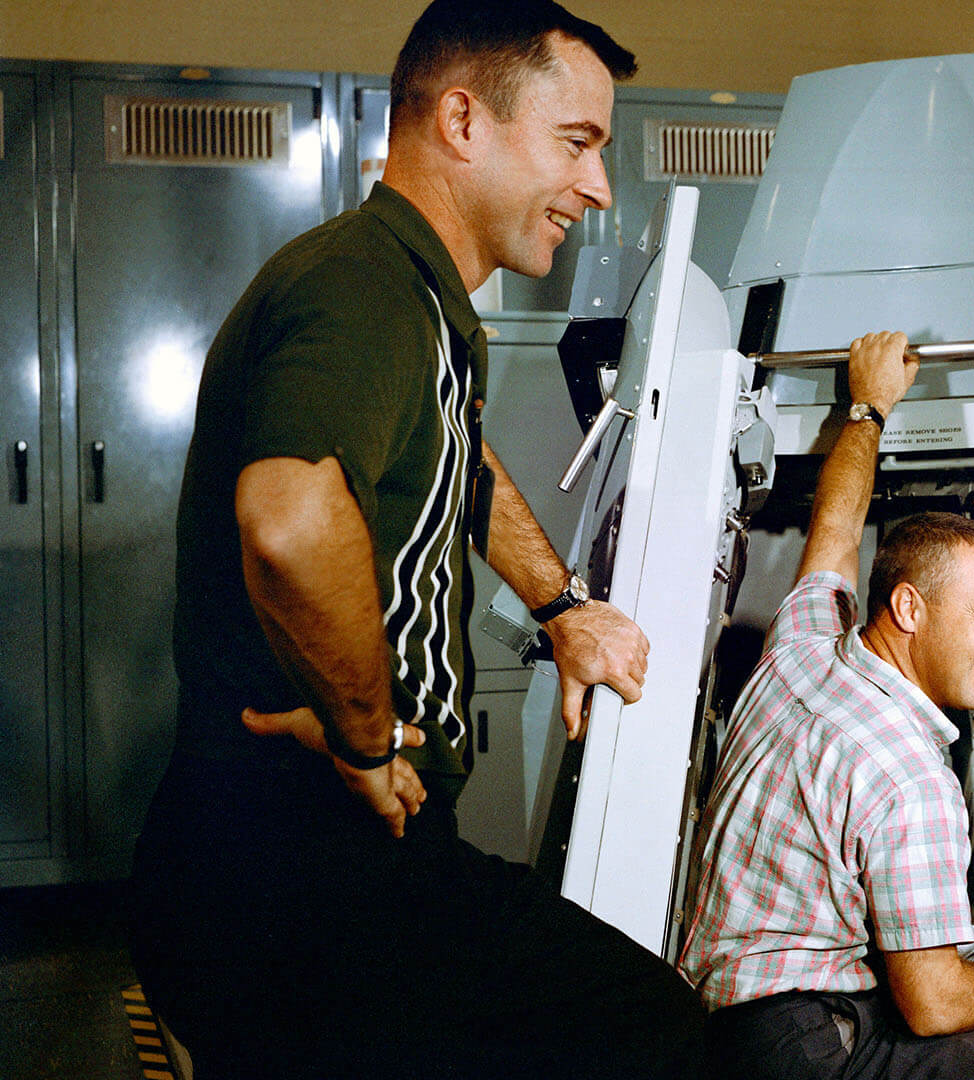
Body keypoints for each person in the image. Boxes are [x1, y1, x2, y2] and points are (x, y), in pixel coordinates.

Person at [129, 2, 703, 1076]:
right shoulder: (364, 286)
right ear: (462, 121)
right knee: (655, 1035)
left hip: (315, 861)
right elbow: (292, 518)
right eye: (577, 145)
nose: (599, 189)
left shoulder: (422, 304)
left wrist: (562, 608)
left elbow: (455, 463)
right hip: (296, 869)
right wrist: (364, 733)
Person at [677, 331, 974, 1080]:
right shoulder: (911, 777)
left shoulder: (805, 647)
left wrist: (868, 406)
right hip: (803, 1050)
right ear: (909, 608)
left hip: (732, 1010)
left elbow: (836, 527)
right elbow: (934, 1006)